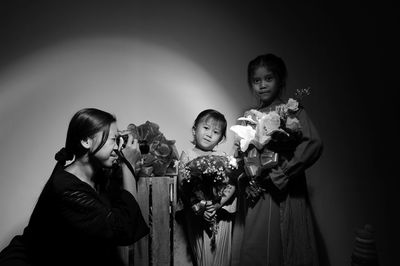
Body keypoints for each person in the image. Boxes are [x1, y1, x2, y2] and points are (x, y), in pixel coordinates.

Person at [0, 108, 149, 266]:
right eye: (113, 139)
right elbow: (123, 229)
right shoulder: (66, 188)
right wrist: (129, 164)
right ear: (86, 141)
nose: (118, 147)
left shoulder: (97, 177)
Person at [231, 54, 323, 266]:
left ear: (280, 80)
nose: (262, 85)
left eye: (268, 78)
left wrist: (284, 172)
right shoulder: (249, 115)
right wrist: (247, 177)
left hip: (284, 188)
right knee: (256, 245)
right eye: (256, 80)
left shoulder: (292, 110)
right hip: (259, 190)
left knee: (285, 245)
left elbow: (313, 144)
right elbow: (244, 153)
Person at [177, 109, 236, 266]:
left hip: (220, 213)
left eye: (216, 132)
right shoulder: (187, 155)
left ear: (221, 139)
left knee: (222, 259)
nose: (209, 134)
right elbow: (183, 186)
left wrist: (217, 205)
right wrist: (201, 208)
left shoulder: (223, 157)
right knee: (204, 258)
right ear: (194, 129)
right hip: (198, 215)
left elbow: (231, 184)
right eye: (205, 128)